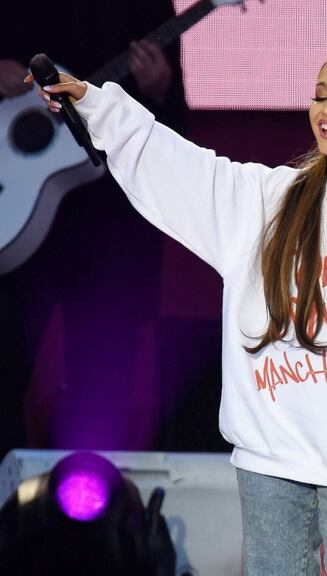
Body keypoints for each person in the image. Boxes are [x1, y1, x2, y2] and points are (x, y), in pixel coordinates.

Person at [31, 35, 327, 575]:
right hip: (271, 457)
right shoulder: (264, 200)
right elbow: (174, 165)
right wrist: (93, 101)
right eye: (321, 95)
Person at [0, 0, 187, 458]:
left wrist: (160, 89)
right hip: (13, 212)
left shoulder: (143, 8)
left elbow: (173, 125)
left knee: (102, 384)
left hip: (109, 227)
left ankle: (93, 520)